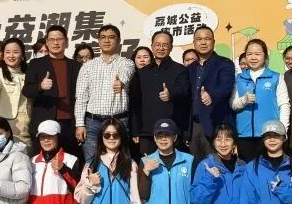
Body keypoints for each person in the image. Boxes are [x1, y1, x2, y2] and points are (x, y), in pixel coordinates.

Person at [74, 24, 135, 162]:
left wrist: (121, 83)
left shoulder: (126, 63)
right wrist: (80, 124)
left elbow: (126, 74)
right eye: (103, 37)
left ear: (118, 41)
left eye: (111, 37)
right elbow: (81, 97)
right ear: (99, 41)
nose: (107, 40)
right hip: (92, 123)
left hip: (118, 121)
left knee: (120, 162)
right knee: (91, 162)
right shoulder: (88, 66)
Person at [129, 30, 190, 156]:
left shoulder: (180, 70)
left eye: (165, 45)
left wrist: (171, 94)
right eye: (157, 44)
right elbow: (135, 103)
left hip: (172, 131)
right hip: (147, 132)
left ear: (171, 47)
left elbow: (184, 92)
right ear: (152, 46)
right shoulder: (141, 73)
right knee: (148, 165)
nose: (160, 48)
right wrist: (135, 130)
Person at [24, 25, 81, 157]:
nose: (55, 43)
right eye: (52, 39)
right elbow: (27, 91)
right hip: (44, 121)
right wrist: (40, 86)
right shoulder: (36, 64)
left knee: (69, 161)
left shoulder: (76, 66)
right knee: (42, 162)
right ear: (47, 42)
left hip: (69, 124)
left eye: (59, 39)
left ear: (66, 42)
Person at [230, 39, 289, 162]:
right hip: (244, 135)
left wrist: (282, 130)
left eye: (257, 54)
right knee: (247, 169)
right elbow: (233, 105)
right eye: (249, 54)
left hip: (269, 135)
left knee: (268, 168)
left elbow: (284, 105)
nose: (253, 57)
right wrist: (243, 100)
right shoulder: (239, 78)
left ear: (265, 56)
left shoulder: (276, 77)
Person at [187, 26, 235, 160]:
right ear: (194, 43)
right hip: (194, 127)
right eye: (199, 39)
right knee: (196, 166)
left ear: (213, 42)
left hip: (215, 124)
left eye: (207, 39)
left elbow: (226, 87)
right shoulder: (190, 68)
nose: (203, 42)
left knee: (217, 165)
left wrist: (211, 95)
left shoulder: (224, 63)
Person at [0, 38, 32, 149]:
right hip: (3, 126)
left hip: (25, 127)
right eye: (7, 52)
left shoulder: (30, 73)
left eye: (15, 52)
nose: (11, 56)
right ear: (3, 56)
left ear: (23, 55)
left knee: (24, 156)